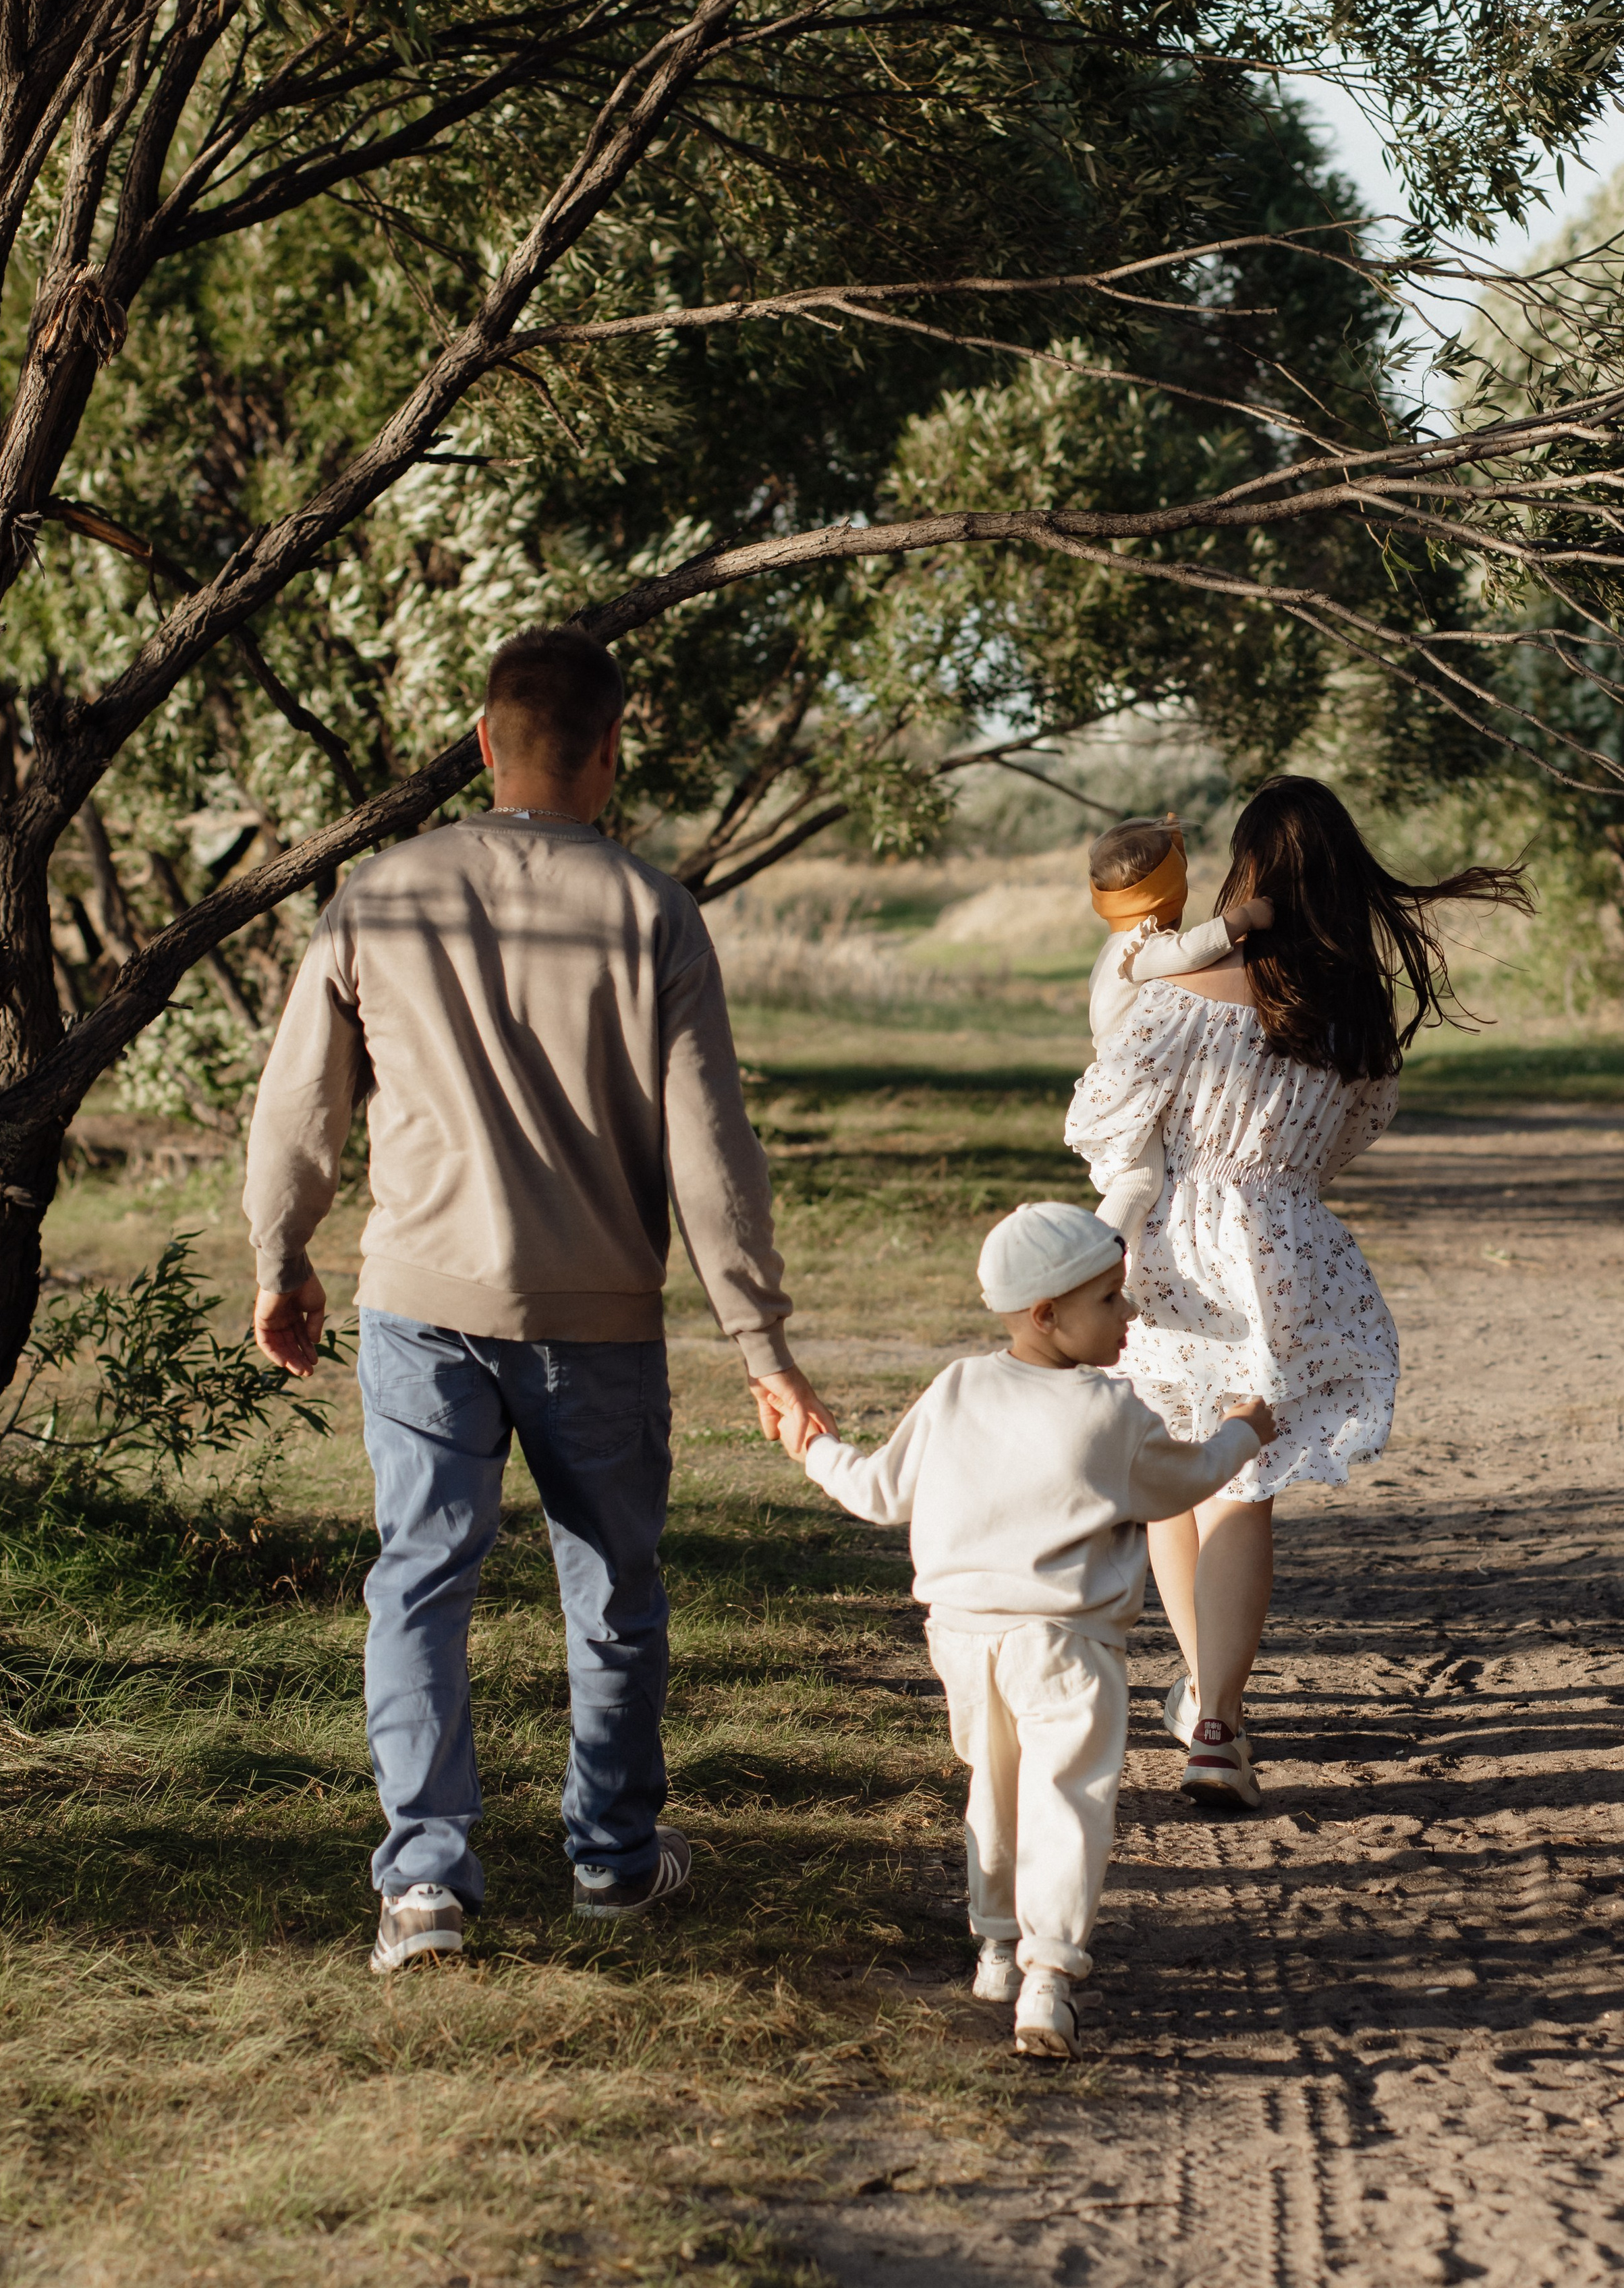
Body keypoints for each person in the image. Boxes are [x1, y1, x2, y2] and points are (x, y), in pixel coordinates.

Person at [244, 623, 832, 1971]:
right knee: (613, 1591)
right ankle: (615, 1866)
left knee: (420, 1585)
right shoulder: (650, 911)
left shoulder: (378, 894)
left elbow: (299, 1106)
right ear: (611, 752)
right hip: (597, 1317)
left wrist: (283, 1257)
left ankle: (425, 1893)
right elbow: (709, 1146)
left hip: (416, 1306)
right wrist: (760, 1337)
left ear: (479, 737)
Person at [1065, 775, 1529, 1810]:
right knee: (1246, 1477)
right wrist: (1279, 1188)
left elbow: (1103, 1111)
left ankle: (1206, 1700)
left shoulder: (1178, 996)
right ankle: (1216, 1719)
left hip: (1178, 1253)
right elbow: (1360, 1132)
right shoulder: (1351, 1007)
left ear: (1244, 869)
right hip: (1285, 1250)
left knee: (1178, 1477)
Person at [790, 1199, 1274, 2059]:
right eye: (1109, 1302)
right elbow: (1187, 1482)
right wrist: (1243, 1432)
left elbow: (876, 1492)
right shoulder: (1111, 1415)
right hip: (1065, 1646)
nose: (1129, 1317)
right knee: (1067, 1801)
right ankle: (1049, 1975)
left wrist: (811, 1447)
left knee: (996, 1790)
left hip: (963, 1640)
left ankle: (993, 1952)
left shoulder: (955, 1390)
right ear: (1047, 1314)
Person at [1084, 816, 1274, 1247]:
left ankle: (1113, 1273)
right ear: (1172, 892)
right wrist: (1244, 918)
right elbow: (1190, 951)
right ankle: (1092, 1265)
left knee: (1142, 1183)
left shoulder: (1120, 948)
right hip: (1126, 1085)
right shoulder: (1140, 951)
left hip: (1126, 1080)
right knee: (1140, 1182)